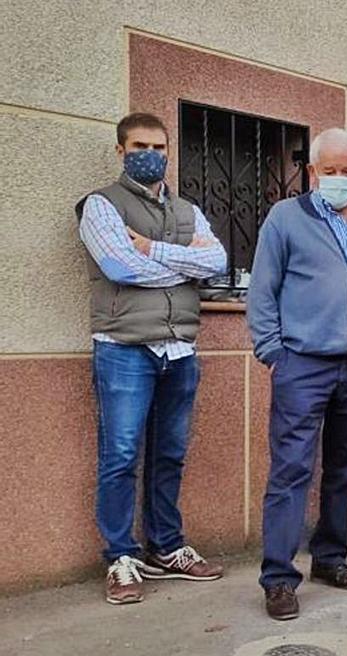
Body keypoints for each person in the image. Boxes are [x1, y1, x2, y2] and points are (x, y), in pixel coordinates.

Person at [248, 127, 347, 620]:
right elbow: (263, 291)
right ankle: (278, 577)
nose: (339, 178)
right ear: (313, 172)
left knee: (344, 470)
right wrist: (274, 353)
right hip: (303, 363)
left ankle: (330, 558)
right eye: (329, 171)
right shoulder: (286, 218)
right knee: (291, 469)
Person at [76, 112, 228, 606]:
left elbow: (217, 262)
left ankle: (167, 546)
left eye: (160, 147)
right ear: (121, 151)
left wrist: (154, 251)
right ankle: (121, 556)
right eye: (140, 145)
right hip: (124, 348)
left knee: (169, 454)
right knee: (120, 456)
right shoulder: (100, 205)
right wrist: (181, 266)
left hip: (180, 349)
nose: (152, 154)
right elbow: (119, 265)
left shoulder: (186, 209)